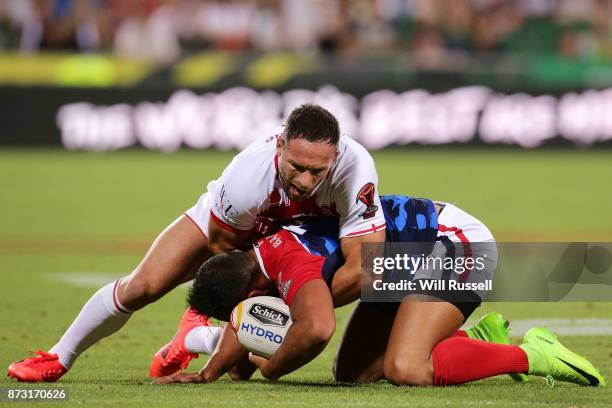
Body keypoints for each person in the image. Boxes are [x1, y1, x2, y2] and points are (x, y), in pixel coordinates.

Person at [7, 104, 387, 382]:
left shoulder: (355, 170)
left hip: (303, 241)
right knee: (144, 285)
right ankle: (59, 356)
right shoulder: (246, 179)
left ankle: (193, 339)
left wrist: (293, 308)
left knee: (242, 365)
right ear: (280, 146)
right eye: (296, 167)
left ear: (335, 157)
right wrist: (254, 298)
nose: (304, 180)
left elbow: (366, 265)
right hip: (237, 231)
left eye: (317, 171)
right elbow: (224, 249)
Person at [155, 195, 605, 387]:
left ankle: (535, 353)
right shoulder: (261, 257)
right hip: (395, 263)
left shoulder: (292, 265)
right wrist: (210, 372)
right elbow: (250, 321)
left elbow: (314, 331)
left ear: (251, 288)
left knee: (406, 368)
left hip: (455, 243)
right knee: (354, 374)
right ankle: (475, 342)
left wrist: (270, 368)